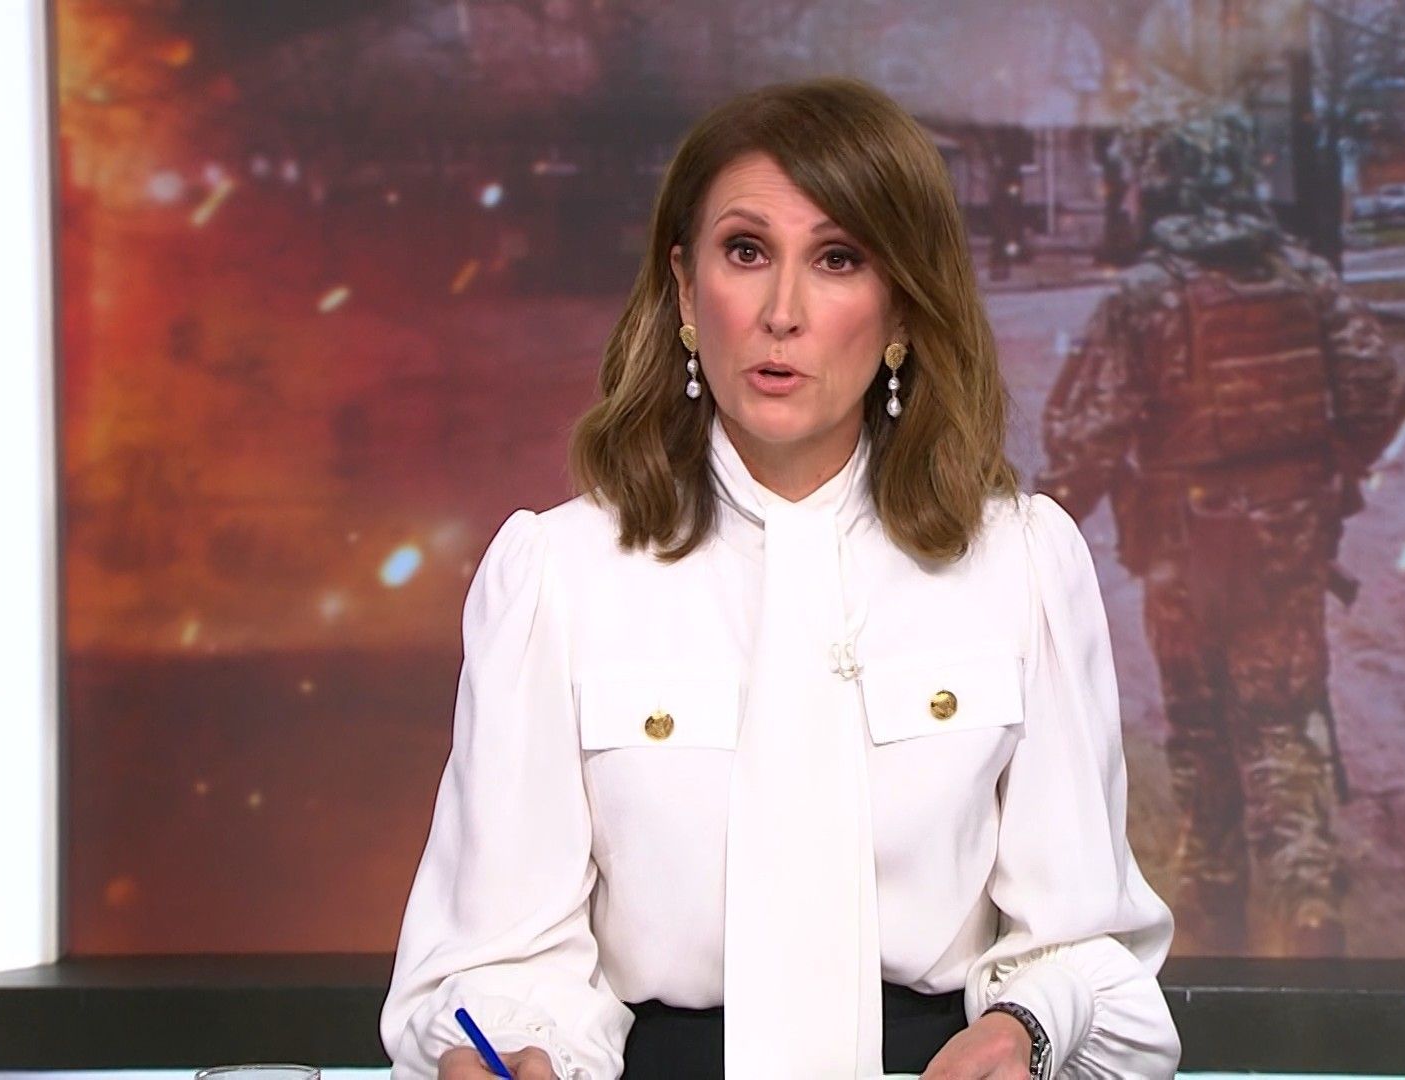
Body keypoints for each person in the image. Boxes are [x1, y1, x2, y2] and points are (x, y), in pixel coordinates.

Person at [379, 78, 1181, 1080]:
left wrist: (1025, 1027)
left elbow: (1087, 948)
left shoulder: (1020, 562)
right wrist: (505, 1050)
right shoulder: (558, 575)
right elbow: (490, 964)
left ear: (901, 307)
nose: (782, 313)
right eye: (746, 252)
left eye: (838, 259)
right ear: (685, 290)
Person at [1037, 106, 1405, 959]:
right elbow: (1381, 394)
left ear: (1163, 183)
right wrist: (1318, 476)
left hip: (1182, 549)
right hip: (1286, 546)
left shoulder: (1145, 297)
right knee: (1282, 719)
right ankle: (1307, 902)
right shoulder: (1306, 280)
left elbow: (1085, 442)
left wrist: (1034, 535)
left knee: (1202, 729)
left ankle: (1210, 907)